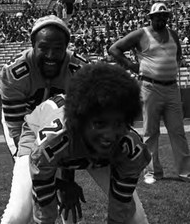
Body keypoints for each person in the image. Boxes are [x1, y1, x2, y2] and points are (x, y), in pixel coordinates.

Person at [10, 62, 151, 223]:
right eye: (100, 124)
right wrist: (63, 184)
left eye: (118, 124)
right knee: (18, 213)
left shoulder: (130, 147)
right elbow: (44, 202)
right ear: (80, 120)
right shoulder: (50, 143)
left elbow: (121, 203)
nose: (110, 136)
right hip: (41, 140)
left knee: (136, 218)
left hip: (86, 149)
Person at [0, 14, 89, 224]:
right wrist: (54, 183)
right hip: (25, 128)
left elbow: (75, 133)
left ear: (67, 48)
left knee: (69, 211)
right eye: (44, 48)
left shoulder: (80, 71)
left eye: (58, 48)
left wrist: (66, 179)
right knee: (19, 213)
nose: (51, 55)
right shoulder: (14, 72)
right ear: (32, 46)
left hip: (63, 126)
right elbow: (17, 130)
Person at [108, 2, 190, 185]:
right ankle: (152, 173)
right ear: (151, 17)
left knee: (178, 131)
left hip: (172, 88)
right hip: (150, 87)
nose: (161, 19)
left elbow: (178, 56)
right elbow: (114, 49)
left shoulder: (173, 35)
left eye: (164, 16)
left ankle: (187, 174)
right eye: (158, 16)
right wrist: (131, 65)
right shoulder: (141, 34)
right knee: (150, 132)